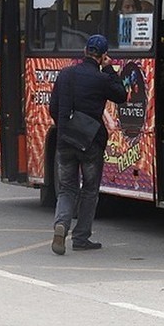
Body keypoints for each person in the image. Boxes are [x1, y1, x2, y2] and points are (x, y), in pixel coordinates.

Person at [49, 34, 127, 255]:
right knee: (90, 190)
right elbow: (121, 95)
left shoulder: (65, 75)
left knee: (66, 188)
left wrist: (65, 127)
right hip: (91, 142)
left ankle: (61, 225)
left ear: (84, 52)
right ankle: (81, 237)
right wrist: (110, 69)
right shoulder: (101, 79)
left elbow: (53, 108)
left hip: (65, 140)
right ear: (102, 56)